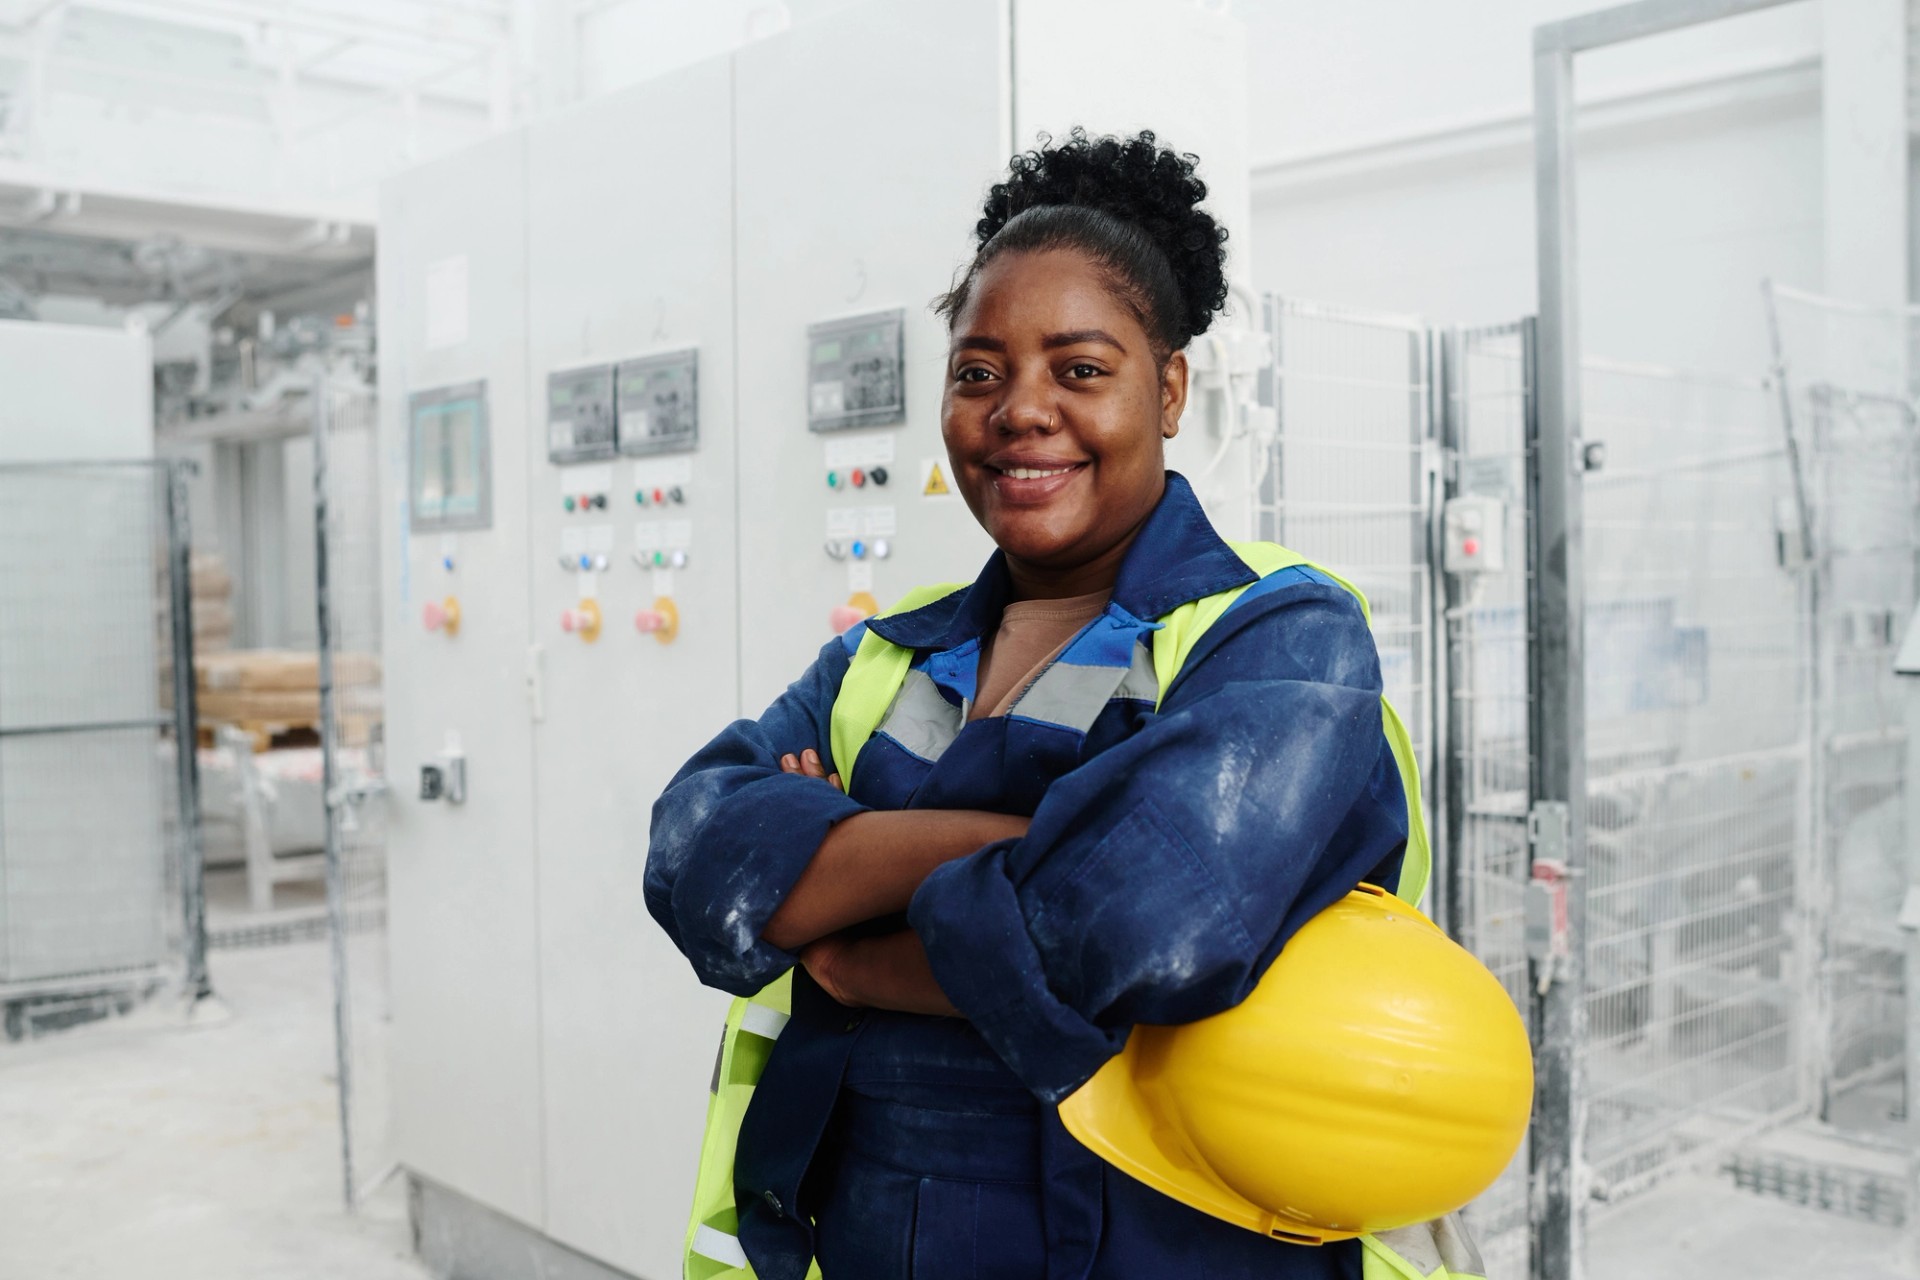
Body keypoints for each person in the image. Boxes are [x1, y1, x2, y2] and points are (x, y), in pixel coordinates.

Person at [646, 129, 1415, 1280]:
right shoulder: (887, 655)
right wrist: (1013, 841)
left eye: (1081, 369)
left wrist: (848, 932)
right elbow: (699, 852)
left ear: (1167, 389)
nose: (1019, 410)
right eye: (978, 371)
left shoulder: (1282, 637)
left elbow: (1147, 923)